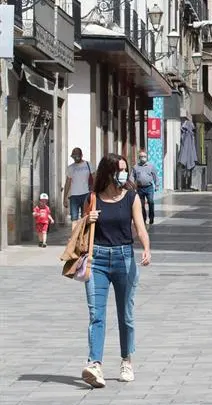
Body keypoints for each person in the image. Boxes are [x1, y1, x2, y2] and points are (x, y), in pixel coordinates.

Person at [81, 153, 152, 388]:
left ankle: (126, 360)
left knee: (126, 315)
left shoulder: (131, 197)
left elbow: (140, 227)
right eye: (119, 170)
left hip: (124, 260)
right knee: (96, 315)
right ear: (108, 172)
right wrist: (86, 219)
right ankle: (95, 365)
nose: (123, 174)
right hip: (97, 260)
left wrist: (146, 249)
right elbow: (78, 231)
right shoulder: (92, 198)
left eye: (125, 169)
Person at [63, 148, 94, 228]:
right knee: (74, 219)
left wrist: (96, 193)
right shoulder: (70, 168)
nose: (76, 158)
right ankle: (74, 238)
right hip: (74, 196)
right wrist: (64, 198)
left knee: (85, 217)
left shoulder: (88, 165)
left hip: (86, 194)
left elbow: (95, 178)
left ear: (81, 155)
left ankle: (83, 237)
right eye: (74, 156)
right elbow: (67, 183)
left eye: (77, 156)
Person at [131, 151, 158, 225]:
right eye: (141, 156)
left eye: (144, 156)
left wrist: (157, 185)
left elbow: (155, 176)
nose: (143, 158)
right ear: (139, 158)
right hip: (140, 188)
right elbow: (132, 177)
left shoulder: (151, 166)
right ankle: (144, 218)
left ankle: (151, 217)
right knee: (141, 204)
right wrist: (131, 186)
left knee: (151, 202)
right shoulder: (135, 167)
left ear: (146, 157)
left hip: (149, 187)